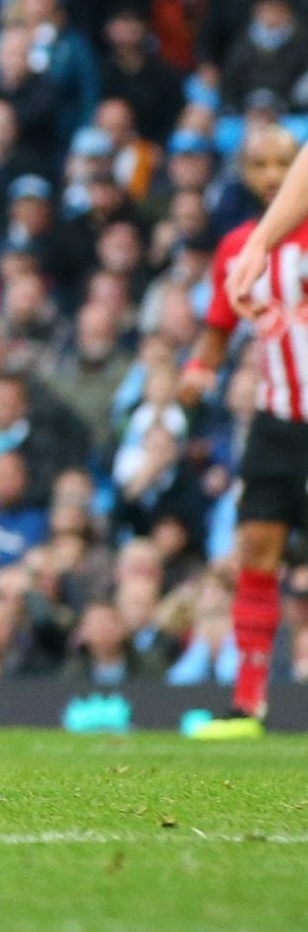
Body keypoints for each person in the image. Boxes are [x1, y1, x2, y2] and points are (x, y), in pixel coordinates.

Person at [184, 123, 308, 738]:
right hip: (276, 420)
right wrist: (199, 369)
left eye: (281, 162)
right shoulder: (239, 246)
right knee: (257, 552)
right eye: (258, 164)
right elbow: (217, 324)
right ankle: (248, 703)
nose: (269, 175)